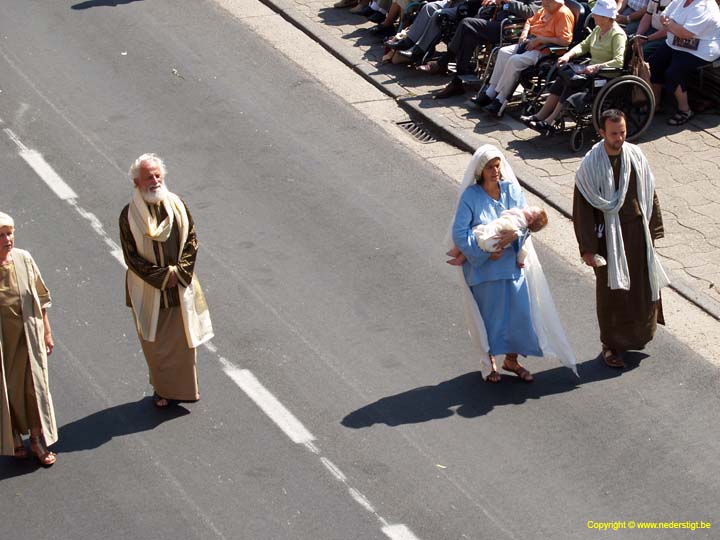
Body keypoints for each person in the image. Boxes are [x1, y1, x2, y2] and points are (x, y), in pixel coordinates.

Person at [450, 145, 576, 382]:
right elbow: (460, 233)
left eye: (497, 166)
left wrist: (515, 236)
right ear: (480, 170)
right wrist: (486, 252)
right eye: (489, 167)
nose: (495, 171)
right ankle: (490, 363)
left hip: (511, 268)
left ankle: (512, 359)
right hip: (485, 270)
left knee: (518, 315)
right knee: (489, 318)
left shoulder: (511, 190)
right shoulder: (471, 197)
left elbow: (527, 223)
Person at [573, 110, 669, 368]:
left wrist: (654, 229)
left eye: (623, 132)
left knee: (640, 287)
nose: (620, 137)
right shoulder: (589, 168)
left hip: (637, 235)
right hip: (609, 239)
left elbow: (649, 193)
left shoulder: (635, 157)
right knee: (612, 294)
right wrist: (588, 249)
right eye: (614, 133)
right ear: (602, 133)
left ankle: (639, 335)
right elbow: (582, 210)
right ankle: (611, 345)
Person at [119, 154, 214, 408]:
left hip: (179, 288)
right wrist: (163, 277)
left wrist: (179, 274)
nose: (154, 180)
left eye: (157, 175)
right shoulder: (129, 215)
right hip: (150, 290)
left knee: (184, 343)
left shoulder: (177, 204)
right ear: (137, 183)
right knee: (157, 346)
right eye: (148, 177)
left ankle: (185, 390)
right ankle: (162, 390)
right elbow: (131, 257)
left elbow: (192, 241)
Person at [0, 212, 57, 466]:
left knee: (36, 388)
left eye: (9, 233)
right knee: (8, 389)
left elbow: (41, 299)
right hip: (5, 343)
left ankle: (36, 439)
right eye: (1, 235)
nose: (7, 239)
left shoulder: (24, 259)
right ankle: (12, 438)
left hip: (30, 338)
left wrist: (46, 331)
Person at [521, 0, 627, 134]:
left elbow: (618, 62)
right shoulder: (598, 29)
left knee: (572, 83)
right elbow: (583, 45)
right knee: (562, 77)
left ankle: (549, 121)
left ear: (606, 17)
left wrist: (597, 67)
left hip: (605, 75)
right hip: (590, 70)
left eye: (596, 15)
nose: (593, 16)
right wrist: (568, 55)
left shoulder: (617, 35)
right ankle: (540, 115)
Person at [473, 0, 574, 116]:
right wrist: (524, 33)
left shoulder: (563, 14)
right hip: (530, 42)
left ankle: (501, 98)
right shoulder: (546, 8)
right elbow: (530, 21)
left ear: (558, 3)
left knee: (514, 60)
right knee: (503, 52)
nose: (544, 3)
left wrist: (541, 40)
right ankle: (491, 90)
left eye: (548, 1)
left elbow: (565, 41)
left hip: (544, 50)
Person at [430, 0, 538, 97]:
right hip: (496, 21)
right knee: (468, 36)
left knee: (467, 23)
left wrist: (508, 1)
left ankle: (444, 60)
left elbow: (531, 13)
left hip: (510, 29)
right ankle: (457, 81)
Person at [648, 0, 720, 125]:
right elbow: (662, 17)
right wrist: (674, 26)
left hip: (700, 49)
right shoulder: (679, 1)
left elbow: (685, 33)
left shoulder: (706, 6)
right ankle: (656, 103)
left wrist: (670, 23)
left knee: (674, 72)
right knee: (655, 62)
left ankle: (685, 110)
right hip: (675, 43)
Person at [446, 205, 548, 266]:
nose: (527, 207)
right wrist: (520, 261)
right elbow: (522, 249)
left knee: (472, 233)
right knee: (477, 242)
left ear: (530, 219)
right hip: (495, 247)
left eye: (531, 209)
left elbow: (504, 213)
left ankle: (456, 251)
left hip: (490, 234)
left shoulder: (518, 213)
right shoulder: (523, 233)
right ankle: (460, 259)